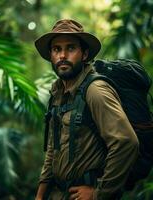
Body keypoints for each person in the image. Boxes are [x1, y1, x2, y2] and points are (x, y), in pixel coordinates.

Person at [34, 19, 139, 200]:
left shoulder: (95, 90)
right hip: (58, 194)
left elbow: (126, 143)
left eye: (71, 48)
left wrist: (98, 193)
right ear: (51, 54)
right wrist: (40, 195)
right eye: (57, 49)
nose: (62, 55)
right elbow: (53, 149)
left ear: (84, 54)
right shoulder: (58, 92)